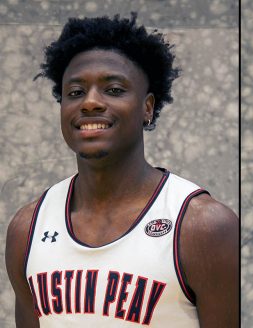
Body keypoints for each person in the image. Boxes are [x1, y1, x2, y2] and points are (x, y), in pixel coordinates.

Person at [5, 13, 238, 327]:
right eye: (75, 93)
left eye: (113, 90)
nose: (90, 103)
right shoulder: (27, 228)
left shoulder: (202, 226)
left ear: (147, 107)